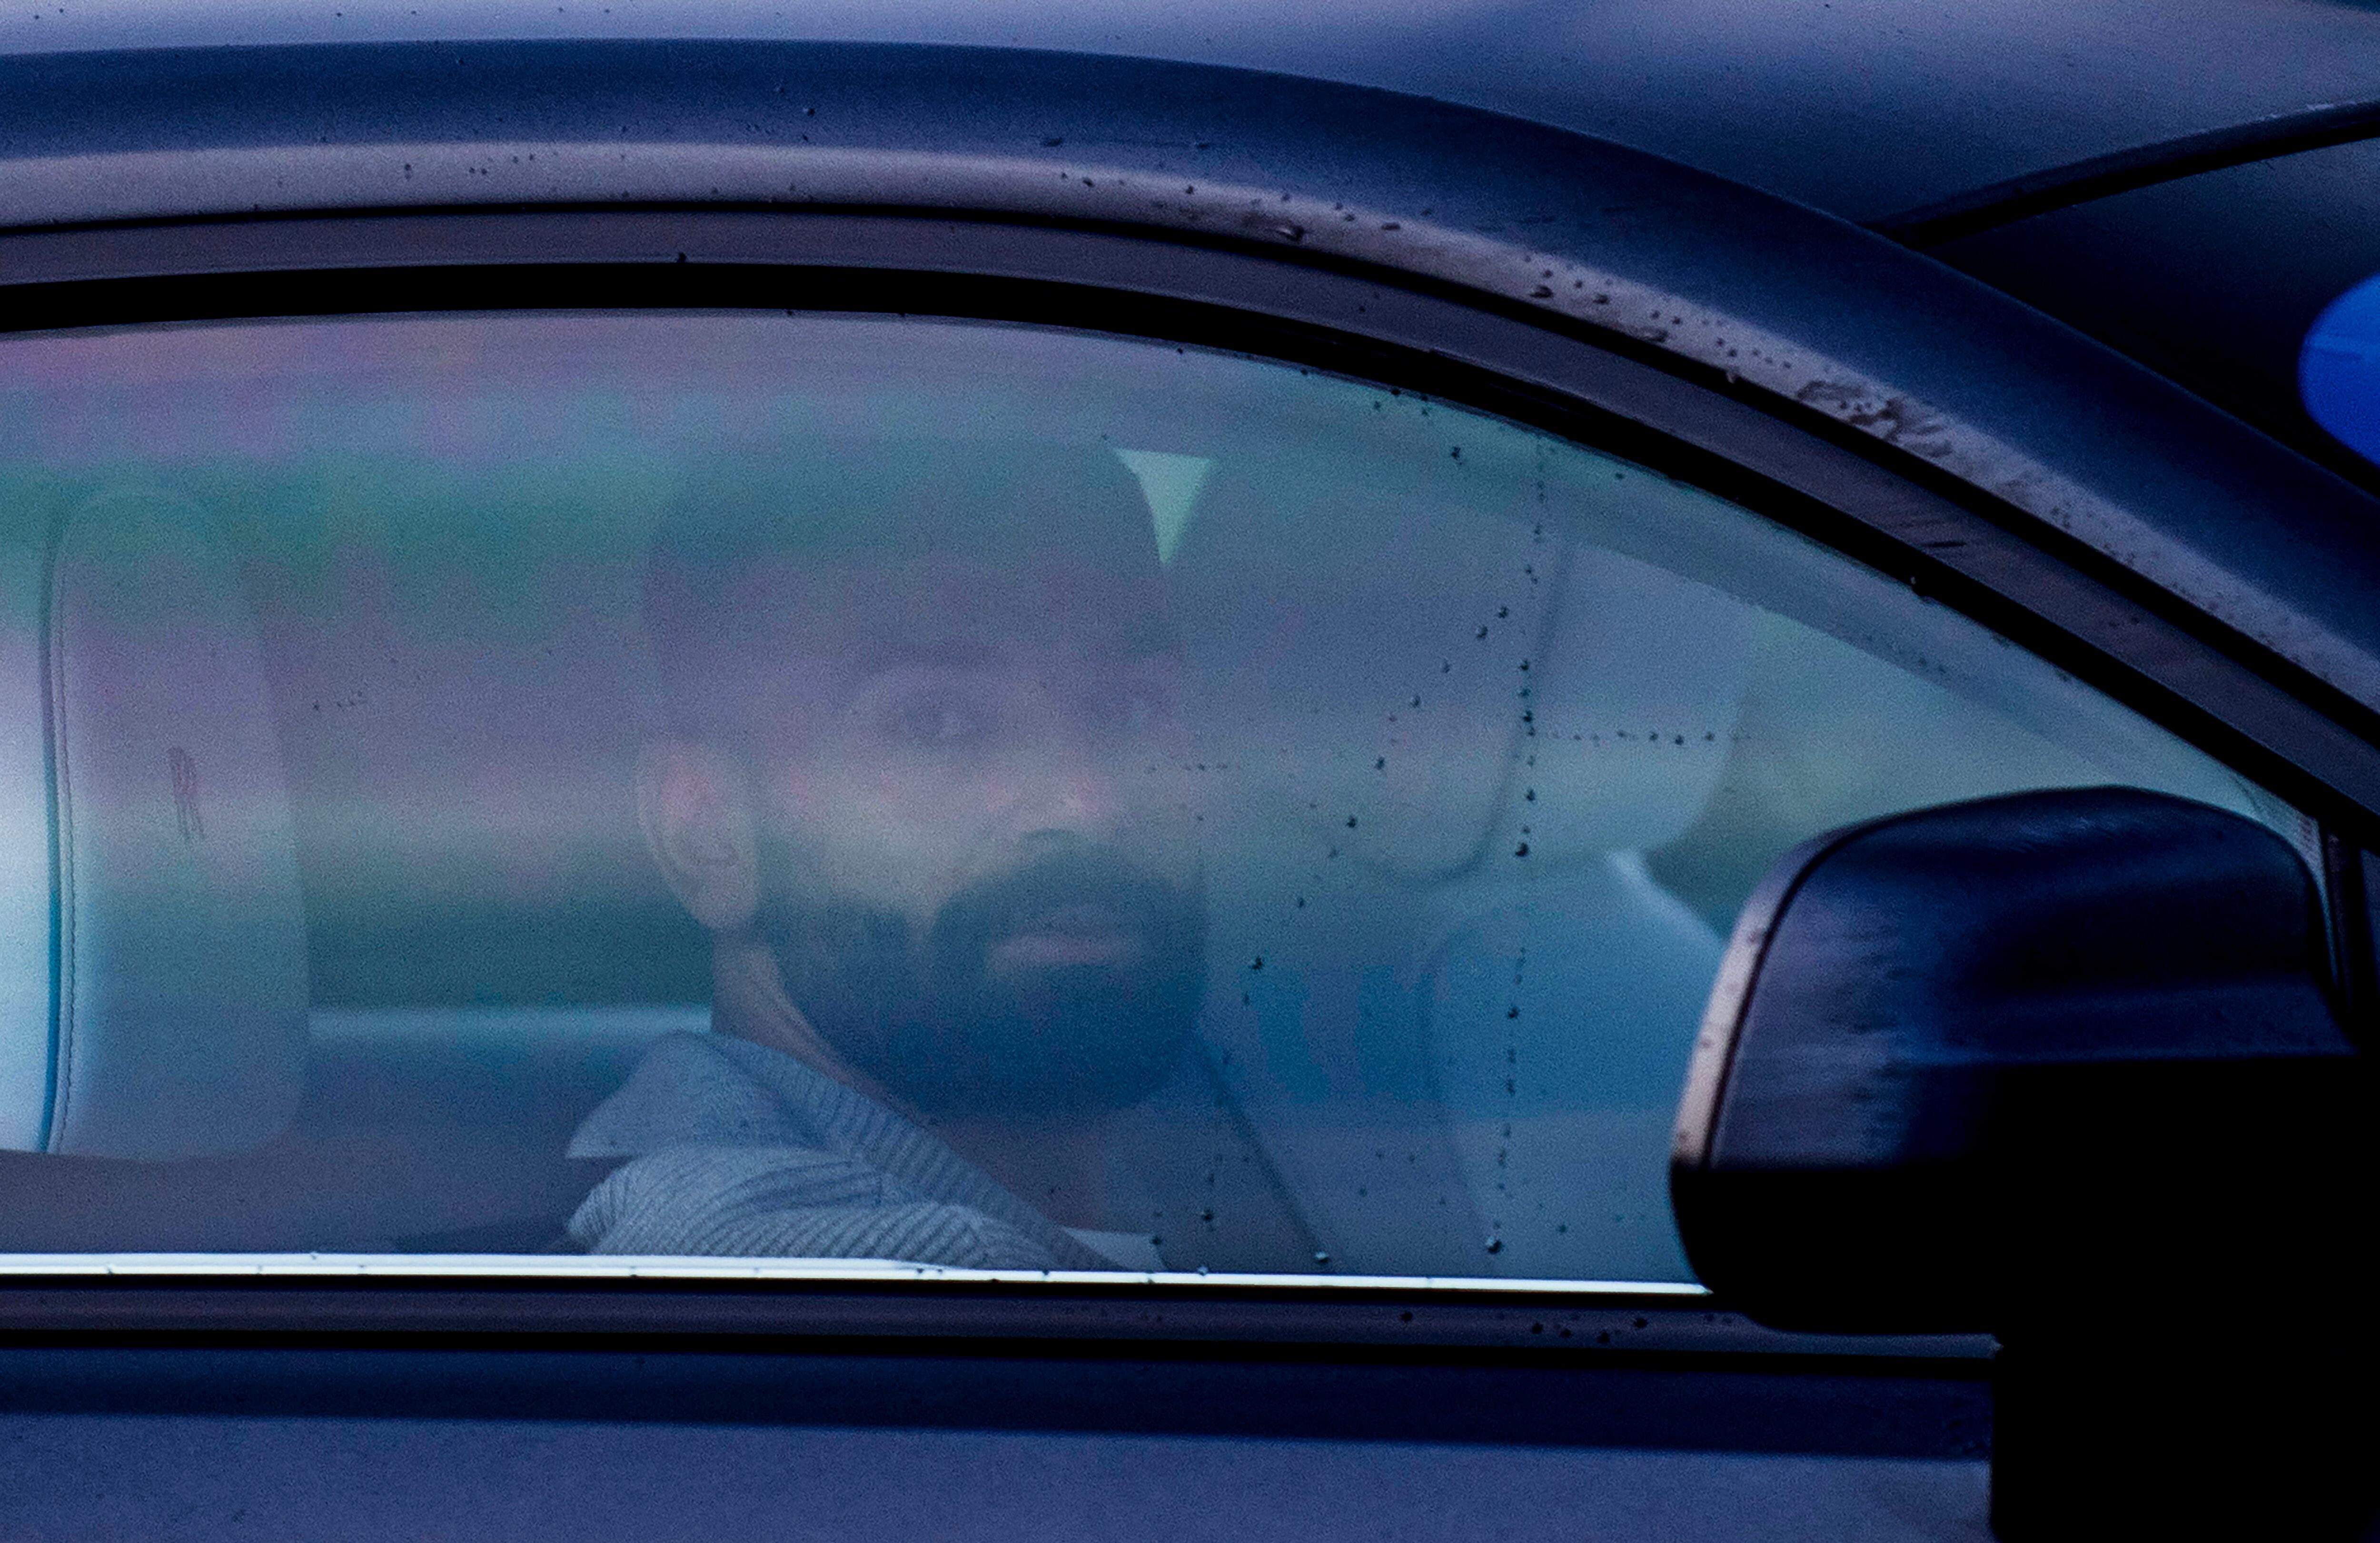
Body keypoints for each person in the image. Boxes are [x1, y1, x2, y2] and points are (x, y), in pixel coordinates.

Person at [564, 442, 1212, 1269]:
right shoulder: (875, 1288)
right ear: (707, 831)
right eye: (936, 723)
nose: (1089, 804)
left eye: (1132, 709)